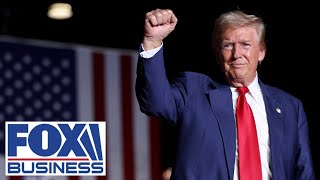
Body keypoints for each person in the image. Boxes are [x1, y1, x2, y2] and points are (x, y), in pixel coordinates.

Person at [135, 8, 315, 180]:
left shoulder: (290, 107)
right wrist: (152, 41)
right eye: (228, 45)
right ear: (218, 54)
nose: (237, 54)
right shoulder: (193, 91)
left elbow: (304, 171)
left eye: (245, 45)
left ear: (261, 52)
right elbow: (154, 102)